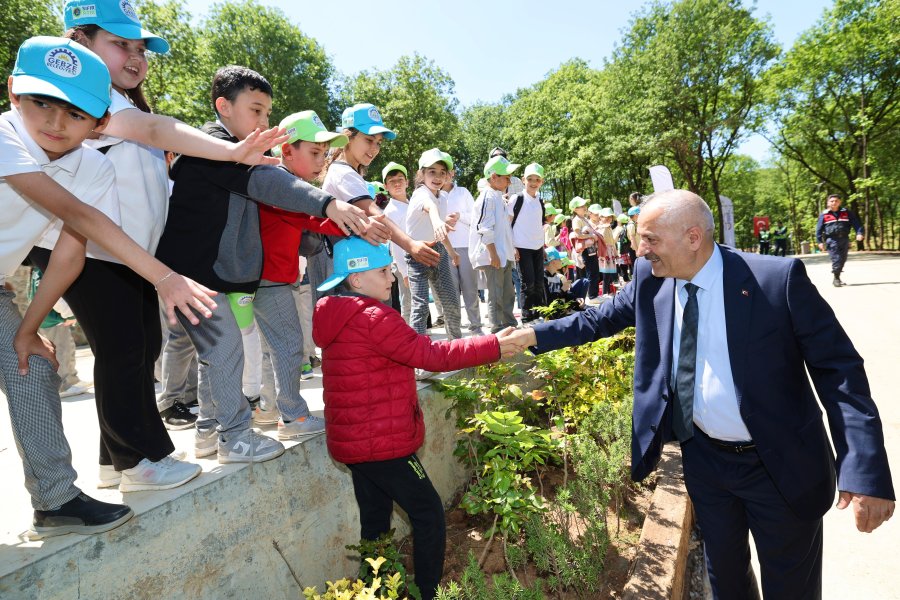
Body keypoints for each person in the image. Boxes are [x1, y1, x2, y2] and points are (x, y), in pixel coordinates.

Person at [498, 190, 894, 600]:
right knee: (726, 583)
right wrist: (532, 334)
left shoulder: (776, 280)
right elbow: (598, 318)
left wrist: (866, 471)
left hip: (780, 465)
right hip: (706, 462)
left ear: (692, 237)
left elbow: (840, 372)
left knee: (790, 590)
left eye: (650, 238)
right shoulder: (652, 279)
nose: (639, 248)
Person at [39, 0, 291, 491]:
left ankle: (113, 461)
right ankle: (140, 459)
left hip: (123, 252)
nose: (134, 57)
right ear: (80, 43)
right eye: (119, 45)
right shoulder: (85, 99)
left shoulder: (123, 103)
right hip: (90, 250)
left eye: (140, 48)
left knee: (134, 347)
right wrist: (231, 150)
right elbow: (155, 131)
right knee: (127, 350)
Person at [2, 36, 215, 538]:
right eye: (42, 103)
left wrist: (29, 329)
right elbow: (76, 215)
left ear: (100, 122)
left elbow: (70, 253)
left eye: (75, 113)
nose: (55, 123)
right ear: (13, 92)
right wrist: (164, 277)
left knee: (30, 369)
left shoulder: (93, 166)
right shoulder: (6, 137)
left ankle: (55, 502)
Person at [154, 65, 373, 464]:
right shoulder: (212, 146)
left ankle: (213, 429)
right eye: (256, 110)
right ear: (224, 106)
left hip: (220, 273)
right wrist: (328, 203)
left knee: (220, 353)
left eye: (267, 113)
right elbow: (271, 185)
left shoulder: (236, 151)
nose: (263, 122)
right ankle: (235, 436)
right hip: (195, 273)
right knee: (224, 352)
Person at [312, 236, 503, 600]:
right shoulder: (374, 317)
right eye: (383, 271)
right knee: (428, 512)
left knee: (375, 520)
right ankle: (428, 593)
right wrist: (493, 345)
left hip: (355, 444)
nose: (391, 278)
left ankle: (375, 589)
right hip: (382, 444)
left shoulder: (334, 313)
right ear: (356, 279)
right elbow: (431, 355)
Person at [250, 110, 349, 439]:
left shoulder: (288, 185)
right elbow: (315, 219)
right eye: (315, 152)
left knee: (270, 347)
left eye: (324, 154)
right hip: (270, 279)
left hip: (268, 276)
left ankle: (267, 408)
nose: (322, 161)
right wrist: (354, 220)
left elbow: (311, 220)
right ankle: (292, 416)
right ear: (287, 150)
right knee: (290, 344)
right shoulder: (282, 185)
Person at [311, 102, 437, 302]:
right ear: (347, 138)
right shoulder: (343, 173)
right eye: (369, 140)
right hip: (351, 272)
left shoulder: (351, 172)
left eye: (378, 142)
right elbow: (374, 212)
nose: (375, 148)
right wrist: (411, 245)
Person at [405, 148, 462, 342]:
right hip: (417, 254)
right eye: (432, 172)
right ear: (422, 174)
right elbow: (429, 208)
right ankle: (417, 357)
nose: (437, 177)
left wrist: (452, 252)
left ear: (448, 176)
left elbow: (439, 231)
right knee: (420, 306)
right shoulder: (420, 194)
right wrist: (438, 221)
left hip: (439, 253)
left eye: (442, 173)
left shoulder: (443, 197)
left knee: (452, 303)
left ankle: (457, 345)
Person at [470, 155, 520, 333]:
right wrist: (493, 253)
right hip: (494, 254)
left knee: (508, 292)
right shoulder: (487, 197)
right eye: (506, 177)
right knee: (496, 293)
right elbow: (484, 227)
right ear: (493, 177)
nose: (509, 180)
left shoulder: (498, 197)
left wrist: (510, 249)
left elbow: (505, 228)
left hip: (503, 253)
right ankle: (496, 326)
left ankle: (509, 323)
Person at [443, 164, 482, 332]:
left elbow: (475, 217)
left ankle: (475, 325)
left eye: (448, 171)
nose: (445, 175)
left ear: (453, 173)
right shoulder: (433, 195)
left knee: (470, 288)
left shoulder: (463, 192)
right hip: (445, 248)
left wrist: (459, 216)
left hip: (466, 246)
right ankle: (453, 328)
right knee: (449, 291)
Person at [508, 163, 547, 323]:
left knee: (539, 282)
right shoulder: (517, 199)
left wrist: (542, 247)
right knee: (527, 283)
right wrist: (513, 247)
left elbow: (539, 225)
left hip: (537, 247)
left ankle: (539, 314)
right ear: (524, 179)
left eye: (537, 179)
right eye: (530, 179)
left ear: (541, 182)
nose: (533, 182)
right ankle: (527, 317)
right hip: (522, 248)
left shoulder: (541, 201)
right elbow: (507, 224)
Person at [382, 161, 412, 321]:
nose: (397, 184)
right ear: (386, 186)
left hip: (419, 259)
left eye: (400, 179)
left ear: (407, 182)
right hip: (404, 264)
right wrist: (404, 272)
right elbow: (395, 246)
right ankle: (410, 335)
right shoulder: (391, 211)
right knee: (408, 301)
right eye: (392, 181)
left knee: (418, 300)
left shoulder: (412, 204)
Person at [815, 194, 864, 287]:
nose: (834, 203)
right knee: (836, 258)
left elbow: (856, 223)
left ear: (840, 202)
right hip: (831, 240)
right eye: (832, 201)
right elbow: (818, 229)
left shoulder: (846, 212)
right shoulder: (824, 215)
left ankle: (837, 277)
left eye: (836, 201)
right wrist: (819, 242)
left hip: (844, 239)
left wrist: (859, 233)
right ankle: (836, 279)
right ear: (828, 203)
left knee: (843, 259)